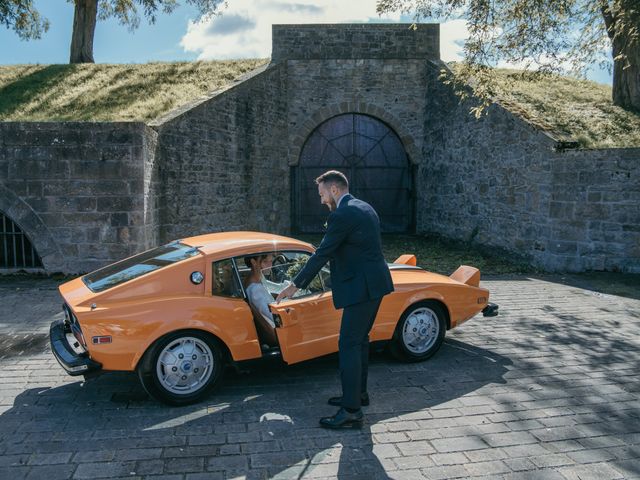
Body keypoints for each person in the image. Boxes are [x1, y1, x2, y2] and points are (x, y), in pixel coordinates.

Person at [276, 170, 394, 429]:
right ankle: (358, 395)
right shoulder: (364, 207)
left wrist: (294, 286)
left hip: (360, 289)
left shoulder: (342, 214)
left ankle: (351, 411)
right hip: (375, 285)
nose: (320, 201)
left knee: (349, 344)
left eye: (321, 194)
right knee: (360, 341)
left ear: (334, 189)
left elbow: (322, 254)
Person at [244, 253, 278, 347]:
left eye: (271, 261)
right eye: (265, 262)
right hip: (276, 329)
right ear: (253, 262)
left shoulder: (258, 276)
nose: (270, 266)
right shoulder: (255, 289)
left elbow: (272, 287)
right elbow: (271, 317)